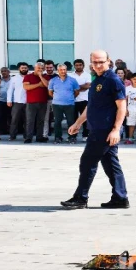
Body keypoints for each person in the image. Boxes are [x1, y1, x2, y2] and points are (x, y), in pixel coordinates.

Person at [61, 50, 129, 210]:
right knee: (111, 164)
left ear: (108, 61)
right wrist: (78, 123)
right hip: (96, 128)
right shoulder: (97, 79)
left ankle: (80, 198)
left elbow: (122, 107)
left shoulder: (113, 80)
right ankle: (120, 198)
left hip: (104, 130)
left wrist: (116, 130)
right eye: (95, 62)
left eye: (101, 62)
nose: (98, 65)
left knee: (87, 162)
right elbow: (91, 106)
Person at [48, 63, 80, 144]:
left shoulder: (72, 80)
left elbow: (76, 92)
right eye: (61, 70)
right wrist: (58, 98)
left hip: (69, 104)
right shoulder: (53, 80)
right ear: (58, 70)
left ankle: (72, 137)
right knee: (57, 122)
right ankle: (58, 137)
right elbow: (50, 92)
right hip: (57, 104)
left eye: (64, 69)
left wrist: (70, 98)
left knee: (71, 121)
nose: (63, 71)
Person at [23, 62, 51, 143]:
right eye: (38, 68)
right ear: (34, 68)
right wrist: (38, 84)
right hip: (31, 102)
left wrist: (40, 76)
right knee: (30, 120)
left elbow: (47, 85)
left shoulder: (46, 77)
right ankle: (28, 137)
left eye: (42, 68)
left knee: (41, 120)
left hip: (43, 102)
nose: (40, 70)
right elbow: (26, 87)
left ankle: (39, 137)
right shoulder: (28, 76)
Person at [69, 59, 91, 141]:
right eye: (76, 65)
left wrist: (76, 88)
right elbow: (70, 87)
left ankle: (85, 135)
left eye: (80, 65)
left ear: (83, 65)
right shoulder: (71, 76)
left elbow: (87, 86)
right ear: (74, 66)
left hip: (85, 100)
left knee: (85, 119)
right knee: (73, 119)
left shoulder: (87, 75)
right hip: (73, 100)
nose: (78, 66)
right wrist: (81, 88)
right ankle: (73, 136)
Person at [7, 62, 28, 141]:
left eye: (25, 68)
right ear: (19, 69)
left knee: (27, 120)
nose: (24, 69)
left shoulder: (30, 77)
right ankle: (12, 136)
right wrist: (9, 100)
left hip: (28, 102)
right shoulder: (14, 78)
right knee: (14, 120)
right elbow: (10, 90)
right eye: (22, 68)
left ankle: (26, 136)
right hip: (17, 102)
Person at [0, 67, 11, 136]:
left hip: (11, 100)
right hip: (1, 100)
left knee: (11, 116)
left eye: (5, 71)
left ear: (9, 72)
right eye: (2, 71)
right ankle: (3, 130)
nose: (4, 72)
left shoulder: (12, 80)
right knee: (2, 116)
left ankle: (11, 130)